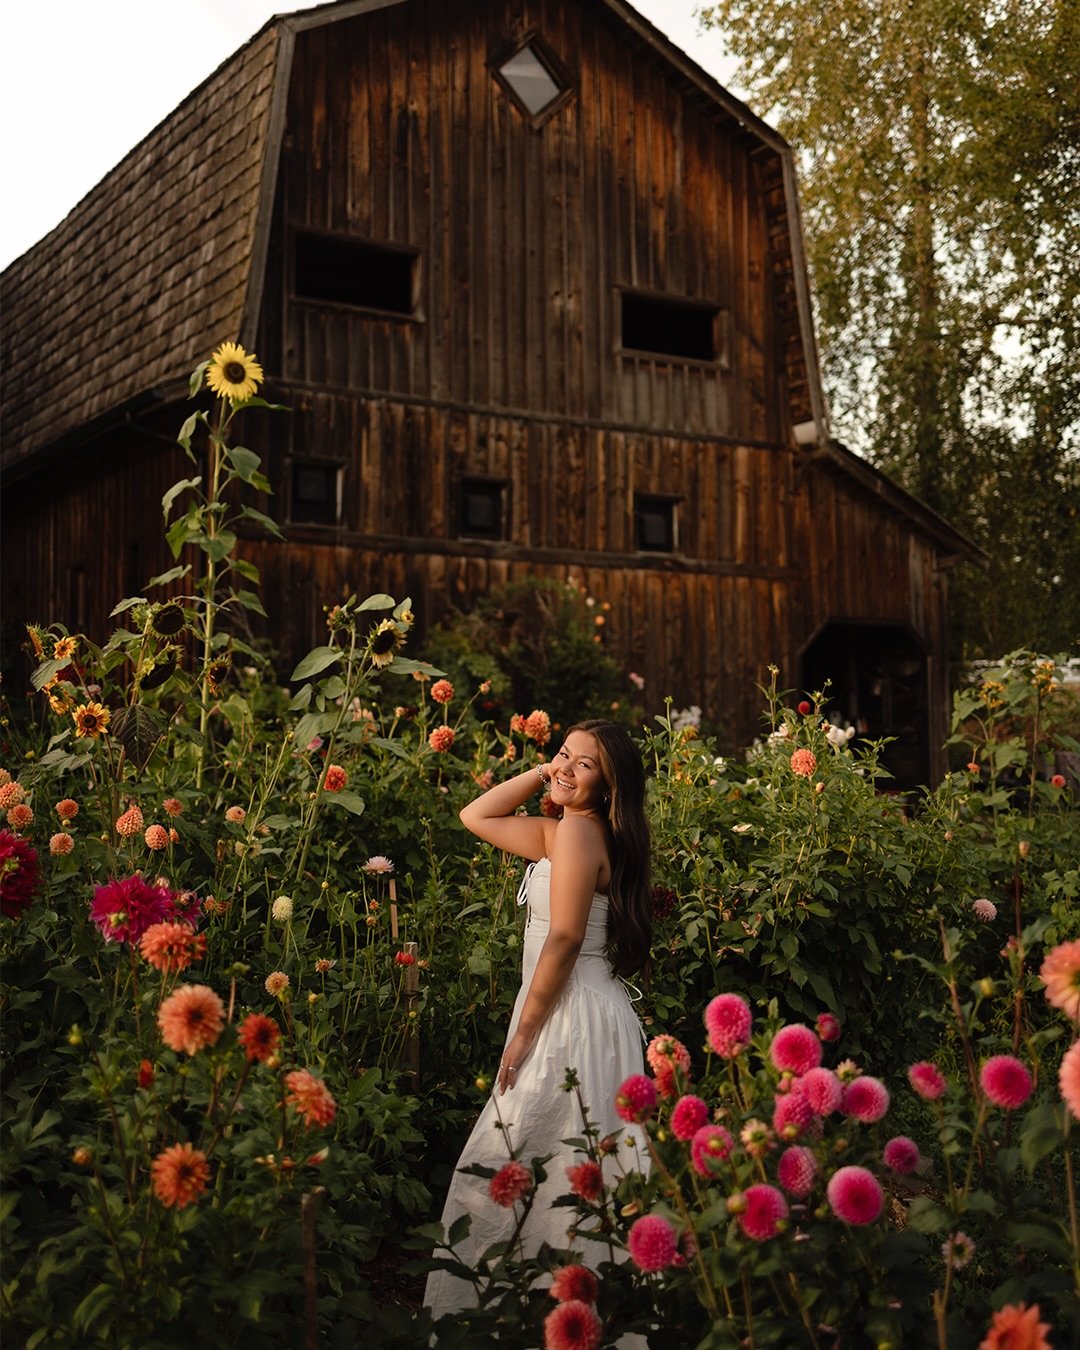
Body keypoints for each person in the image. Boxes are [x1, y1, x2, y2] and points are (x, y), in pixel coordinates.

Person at [424, 719, 653, 1322]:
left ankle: (491, 1312)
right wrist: (543, 772)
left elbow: (566, 937)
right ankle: (571, 1306)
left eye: (585, 763)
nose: (566, 768)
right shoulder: (568, 831)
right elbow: (476, 815)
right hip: (582, 1009)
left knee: (511, 1151)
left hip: (568, 1014)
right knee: (575, 1160)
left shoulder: (577, 833)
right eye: (563, 754)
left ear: (610, 786)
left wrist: (524, 1032)